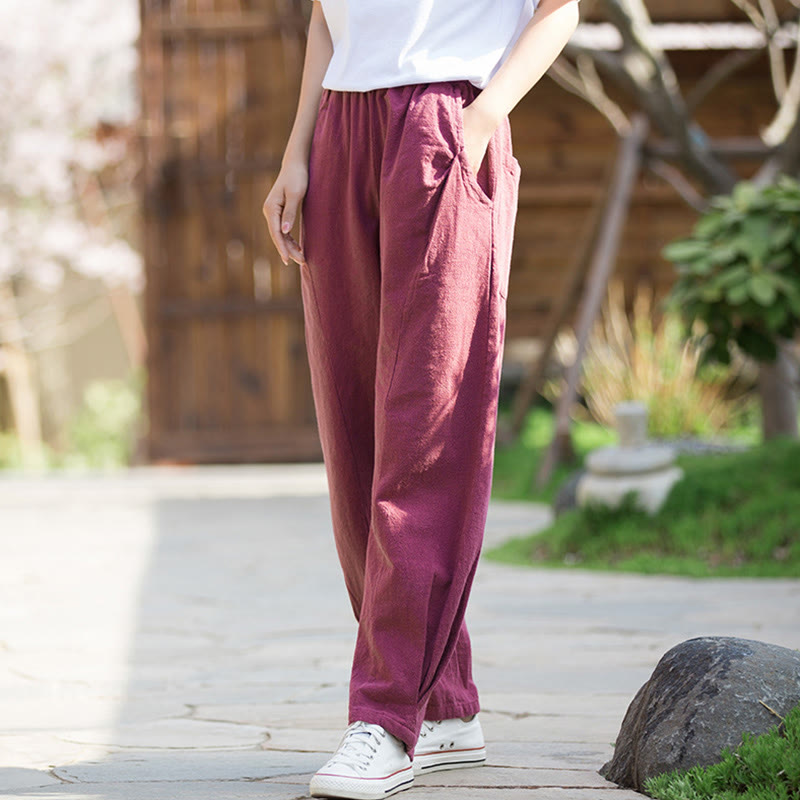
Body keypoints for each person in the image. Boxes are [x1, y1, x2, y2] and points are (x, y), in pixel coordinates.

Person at [263, 1, 580, 797]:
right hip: (341, 130)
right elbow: (326, 17)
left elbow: (558, 8)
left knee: (428, 426)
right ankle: (442, 706)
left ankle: (384, 716)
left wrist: (481, 119)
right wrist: (297, 151)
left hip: (445, 121)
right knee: (355, 437)